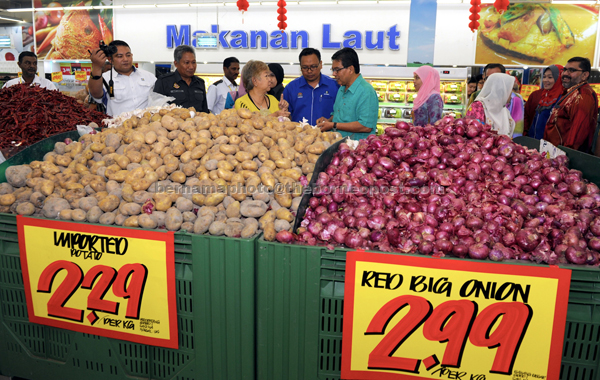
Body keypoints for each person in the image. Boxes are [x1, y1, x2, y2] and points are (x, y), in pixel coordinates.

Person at [316, 48, 378, 140]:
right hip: (340, 146)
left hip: (357, 149)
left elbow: (365, 126)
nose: (334, 73)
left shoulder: (366, 91)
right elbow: (338, 115)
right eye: (333, 70)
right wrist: (328, 121)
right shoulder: (342, 88)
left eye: (337, 70)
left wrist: (334, 125)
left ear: (350, 69)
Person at [89, 40, 156, 117]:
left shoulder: (149, 76)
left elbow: (158, 99)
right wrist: (97, 67)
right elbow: (96, 94)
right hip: (117, 127)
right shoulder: (104, 78)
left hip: (146, 126)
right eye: (120, 56)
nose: (125, 59)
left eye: (128, 55)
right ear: (111, 60)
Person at [545, 57, 598, 152]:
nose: (565, 74)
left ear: (584, 75)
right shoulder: (571, 92)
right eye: (565, 70)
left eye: (572, 70)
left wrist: (563, 158)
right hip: (555, 154)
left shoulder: (583, 96)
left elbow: (576, 135)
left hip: (565, 158)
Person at [283, 48, 339, 125]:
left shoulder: (335, 86)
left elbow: (341, 114)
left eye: (313, 66)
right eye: (305, 67)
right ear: (300, 67)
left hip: (327, 135)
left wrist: (329, 121)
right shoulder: (291, 88)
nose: (309, 71)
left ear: (321, 64)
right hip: (298, 135)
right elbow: (286, 117)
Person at [153, 45, 208, 113]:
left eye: (193, 62)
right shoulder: (164, 82)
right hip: (172, 122)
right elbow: (155, 109)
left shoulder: (200, 83)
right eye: (187, 63)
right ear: (176, 64)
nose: (191, 67)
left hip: (197, 122)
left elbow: (205, 110)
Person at [524, 65, 563, 140]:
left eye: (550, 77)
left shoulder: (563, 98)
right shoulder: (540, 95)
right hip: (533, 141)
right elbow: (527, 116)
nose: (545, 80)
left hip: (551, 145)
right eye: (544, 76)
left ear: (559, 78)